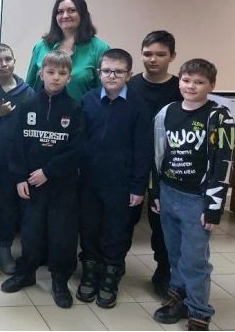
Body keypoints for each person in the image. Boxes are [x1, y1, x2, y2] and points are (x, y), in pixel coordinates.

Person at [152, 59, 235, 331]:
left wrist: (214, 206)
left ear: (212, 85)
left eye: (199, 82)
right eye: (187, 80)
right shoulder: (167, 112)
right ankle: (179, 299)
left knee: (194, 260)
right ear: (179, 82)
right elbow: (158, 154)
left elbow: (224, 163)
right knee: (174, 253)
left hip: (197, 200)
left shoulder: (219, 117)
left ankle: (200, 310)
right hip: (169, 192)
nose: (191, 86)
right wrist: (155, 191)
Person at [1, 50, 83, 310]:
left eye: (62, 73)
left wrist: (48, 171)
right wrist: (20, 177)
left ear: (69, 77)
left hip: (61, 183)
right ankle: (26, 272)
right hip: (31, 183)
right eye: (51, 72)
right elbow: (17, 144)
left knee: (62, 233)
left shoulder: (75, 108)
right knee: (31, 231)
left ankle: (60, 280)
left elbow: (77, 149)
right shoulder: (28, 105)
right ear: (41, 74)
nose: (55, 77)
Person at [76, 49, 151, 308]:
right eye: (107, 71)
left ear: (129, 75)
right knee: (89, 228)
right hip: (89, 180)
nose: (112, 76)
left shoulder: (138, 105)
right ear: (99, 73)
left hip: (122, 183)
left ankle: (110, 276)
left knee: (116, 231)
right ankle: (90, 272)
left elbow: (143, 148)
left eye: (119, 72)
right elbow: (78, 140)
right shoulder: (88, 100)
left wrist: (139, 186)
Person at [126, 30, 183, 298]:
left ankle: (164, 270)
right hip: (133, 160)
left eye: (160, 54)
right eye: (147, 54)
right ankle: (114, 265)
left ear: (172, 56)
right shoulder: (131, 85)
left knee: (161, 220)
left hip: (168, 164)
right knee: (126, 217)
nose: (153, 59)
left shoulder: (180, 88)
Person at [0, 43, 34, 274]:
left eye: (7, 59)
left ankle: (3, 249)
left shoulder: (28, 92)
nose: (3, 64)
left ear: (14, 61)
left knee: (6, 207)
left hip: (12, 163)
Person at [25, 0, 110, 100]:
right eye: (60, 12)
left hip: (83, 111)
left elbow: (106, 92)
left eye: (71, 10)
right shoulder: (41, 47)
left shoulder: (99, 49)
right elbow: (29, 88)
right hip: (42, 110)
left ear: (82, 14)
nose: (65, 16)